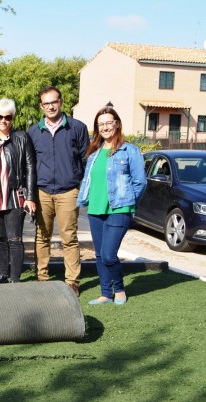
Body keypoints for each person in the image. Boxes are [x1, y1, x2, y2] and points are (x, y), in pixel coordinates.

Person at [77, 107, 146, 305]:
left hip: (119, 210)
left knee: (109, 254)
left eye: (109, 123)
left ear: (117, 123)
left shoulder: (129, 150)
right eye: (101, 124)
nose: (105, 127)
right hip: (95, 210)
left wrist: (129, 205)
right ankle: (106, 293)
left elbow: (140, 182)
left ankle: (120, 290)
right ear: (97, 128)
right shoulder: (94, 154)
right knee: (99, 254)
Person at [28, 86, 89, 296]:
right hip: (42, 191)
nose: (51, 106)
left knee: (69, 238)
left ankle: (72, 281)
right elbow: (30, 164)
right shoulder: (34, 131)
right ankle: (41, 277)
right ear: (41, 106)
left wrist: (79, 186)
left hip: (68, 191)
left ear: (61, 102)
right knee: (41, 236)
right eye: (46, 103)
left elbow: (85, 160)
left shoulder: (77, 128)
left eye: (54, 102)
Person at [0, 98, 37, 284]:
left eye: (7, 117)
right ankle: (2, 273)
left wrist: (30, 197)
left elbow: (30, 167)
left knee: (15, 239)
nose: (3, 121)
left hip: (14, 197)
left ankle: (15, 278)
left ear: (13, 117)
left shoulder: (21, 137)